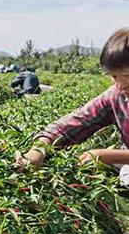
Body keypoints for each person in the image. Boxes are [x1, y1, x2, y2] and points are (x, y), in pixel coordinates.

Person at [16, 28, 129, 171]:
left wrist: (114, 156)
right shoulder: (116, 96)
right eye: (114, 77)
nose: (121, 85)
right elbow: (70, 124)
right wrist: (37, 151)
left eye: (127, 76)